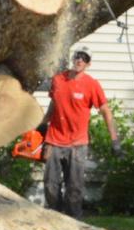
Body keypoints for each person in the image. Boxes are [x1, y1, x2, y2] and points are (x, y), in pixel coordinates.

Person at [38, 45, 122, 218]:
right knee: (50, 185)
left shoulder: (92, 85)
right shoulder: (58, 80)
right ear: (73, 58)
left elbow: (106, 112)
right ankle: (55, 218)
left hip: (77, 144)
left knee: (74, 188)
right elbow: (54, 105)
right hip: (54, 139)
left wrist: (115, 140)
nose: (79, 60)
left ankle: (74, 222)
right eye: (77, 56)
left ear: (88, 64)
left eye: (84, 58)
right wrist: (41, 124)